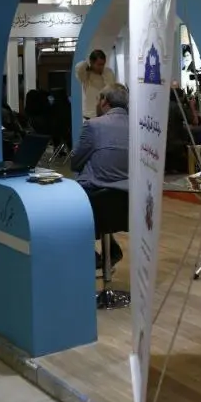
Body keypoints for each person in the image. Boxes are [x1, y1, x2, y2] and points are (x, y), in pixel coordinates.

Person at [70, 83, 129, 268]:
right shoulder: (139, 127)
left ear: (104, 101)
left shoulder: (93, 125)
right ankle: (111, 249)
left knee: (64, 205)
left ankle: (90, 254)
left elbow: (75, 162)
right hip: (128, 200)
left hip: (97, 198)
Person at [74, 50, 115, 120]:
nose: (101, 67)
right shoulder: (86, 75)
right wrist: (87, 65)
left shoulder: (108, 72)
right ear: (91, 63)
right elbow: (79, 67)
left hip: (106, 113)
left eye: (103, 64)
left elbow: (112, 89)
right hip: (90, 114)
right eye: (99, 64)